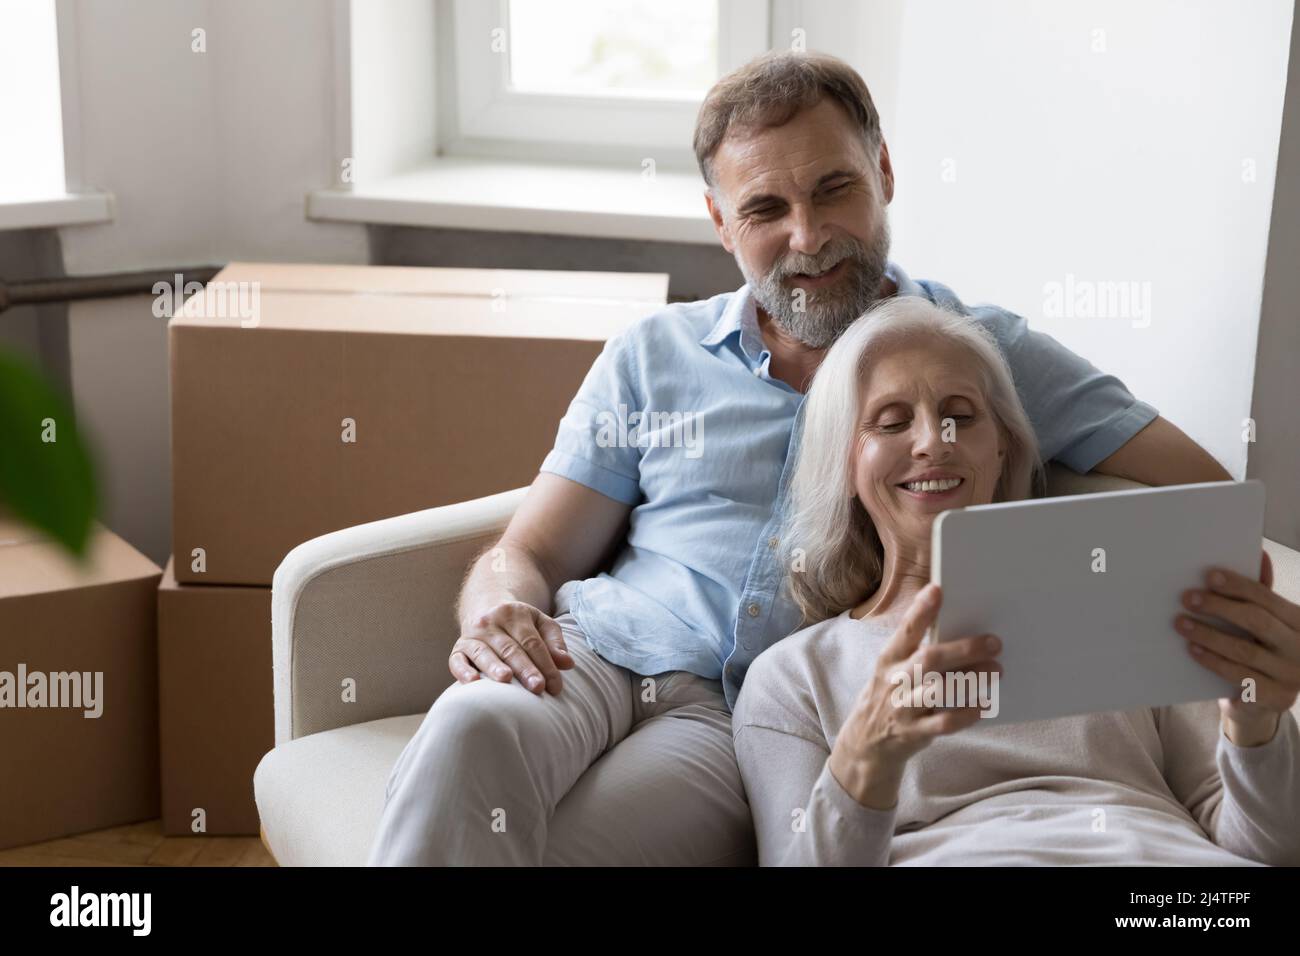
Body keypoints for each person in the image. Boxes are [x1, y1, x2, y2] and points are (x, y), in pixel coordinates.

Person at [367, 51, 1230, 866]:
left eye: (834, 189)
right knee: (472, 729)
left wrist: (1033, 584)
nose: (808, 236)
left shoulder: (972, 350)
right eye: (765, 210)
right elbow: (531, 553)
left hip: (735, 718)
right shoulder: (652, 353)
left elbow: (1204, 493)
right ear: (720, 222)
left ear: (884, 175)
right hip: (593, 649)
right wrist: (497, 613)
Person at [732, 295, 1300, 866]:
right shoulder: (791, 679)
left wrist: (1256, 728)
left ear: (1001, 448)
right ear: (846, 464)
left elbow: (1267, 851)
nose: (934, 440)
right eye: (892, 422)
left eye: (961, 414)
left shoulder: (1137, 607)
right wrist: (864, 764)